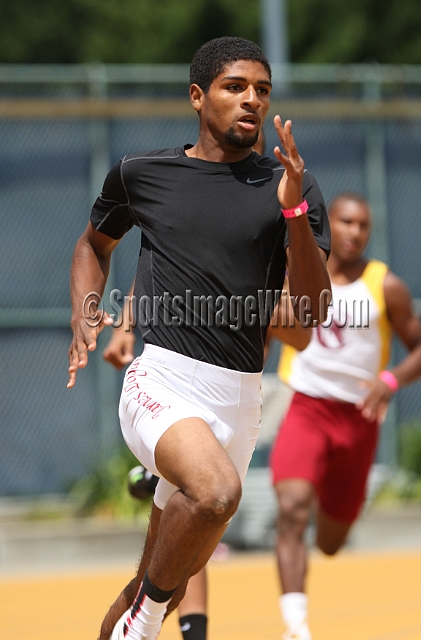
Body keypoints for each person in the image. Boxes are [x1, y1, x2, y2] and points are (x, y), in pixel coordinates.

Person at [68, 36, 331, 640]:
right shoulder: (143, 174)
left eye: (262, 91)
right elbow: (93, 245)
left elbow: (312, 314)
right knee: (215, 495)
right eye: (235, 87)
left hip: (239, 397)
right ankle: (149, 620)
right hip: (161, 378)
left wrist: (292, 212)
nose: (251, 101)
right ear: (197, 95)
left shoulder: (292, 182)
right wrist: (87, 310)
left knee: (153, 577)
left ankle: (142, 612)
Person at [269, 192, 421, 640]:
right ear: (329, 224)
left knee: (329, 543)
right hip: (307, 408)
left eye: (363, 225)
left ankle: (326, 495)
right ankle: (296, 627)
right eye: (344, 222)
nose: (354, 232)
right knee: (291, 509)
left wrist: (391, 380)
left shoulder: (386, 286)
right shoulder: (297, 276)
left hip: (358, 419)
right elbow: (265, 327)